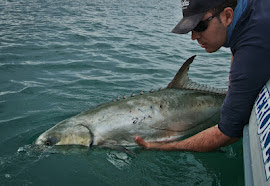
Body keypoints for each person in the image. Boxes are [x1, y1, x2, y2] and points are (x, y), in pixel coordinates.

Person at [135, 0, 270, 152]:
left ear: (227, 16)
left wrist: (164, 146)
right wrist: (232, 89)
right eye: (191, 28)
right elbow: (238, 41)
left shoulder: (254, 45)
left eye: (200, 26)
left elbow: (228, 133)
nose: (193, 36)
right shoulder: (244, 11)